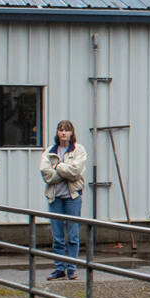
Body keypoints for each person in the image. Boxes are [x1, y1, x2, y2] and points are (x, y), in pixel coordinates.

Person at [39, 119, 87, 279]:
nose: (64, 132)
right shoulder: (49, 151)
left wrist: (58, 167)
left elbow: (75, 172)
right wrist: (64, 171)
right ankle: (59, 268)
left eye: (67, 129)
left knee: (72, 235)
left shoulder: (79, 150)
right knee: (57, 236)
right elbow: (47, 175)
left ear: (72, 132)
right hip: (55, 198)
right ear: (57, 132)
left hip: (72, 197)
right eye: (61, 129)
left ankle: (72, 268)